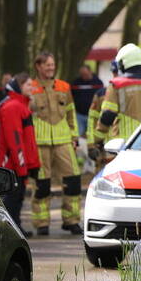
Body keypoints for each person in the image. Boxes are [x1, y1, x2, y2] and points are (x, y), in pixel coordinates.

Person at [30, 52, 82, 235]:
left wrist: (74, 137)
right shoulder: (30, 88)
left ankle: (71, 220)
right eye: (47, 65)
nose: (51, 68)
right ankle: (42, 223)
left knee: (73, 180)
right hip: (39, 142)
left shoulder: (63, 87)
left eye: (52, 65)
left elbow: (70, 113)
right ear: (38, 66)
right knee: (42, 185)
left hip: (63, 141)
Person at [0, 73, 40, 235]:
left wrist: (32, 164)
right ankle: (11, 232)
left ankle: (16, 228)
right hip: (12, 165)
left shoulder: (20, 106)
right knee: (13, 199)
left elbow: (26, 141)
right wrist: (22, 168)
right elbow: (15, 142)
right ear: (19, 86)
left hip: (17, 164)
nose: (32, 88)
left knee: (18, 198)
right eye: (28, 85)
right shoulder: (13, 107)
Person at [97, 44, 141, 143]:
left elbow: (108, 115)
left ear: (122, 63)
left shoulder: (117, 85)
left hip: (125, 143)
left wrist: (98, 139)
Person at [70, 64, 104, 142]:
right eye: (82, 75)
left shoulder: (98, 82)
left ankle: (91, 150)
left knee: (92, 134)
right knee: (79, 134)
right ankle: (81, 151)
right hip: (80, 115)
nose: (84, 76)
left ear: (90, 72)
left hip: (92, 115)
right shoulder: (76, 83)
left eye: (85, 74)